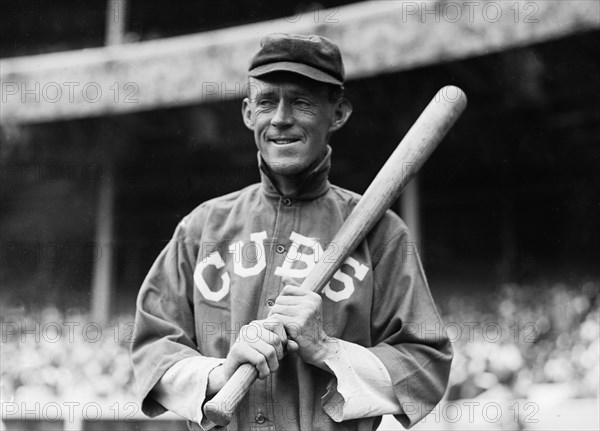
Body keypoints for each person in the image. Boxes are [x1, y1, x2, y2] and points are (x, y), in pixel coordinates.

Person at [131, 33, 452, 430]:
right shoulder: (202, 227)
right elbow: (151, 349)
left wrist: (327, 349)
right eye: (267, 101)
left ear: (338, 113)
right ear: (249, 113)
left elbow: (426, 367)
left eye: (301, 102)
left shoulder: (384, 235)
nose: (281, 118)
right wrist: (220, 373)